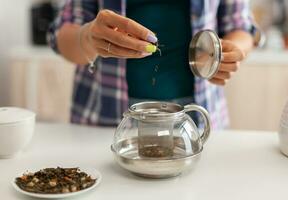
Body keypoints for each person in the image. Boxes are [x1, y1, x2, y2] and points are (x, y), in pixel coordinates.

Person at [48, 0, 256, 129]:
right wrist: (88, 37)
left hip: (198, 117)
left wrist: (228, 53)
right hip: (105, 119)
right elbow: (62, 35)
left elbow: (242, 28)